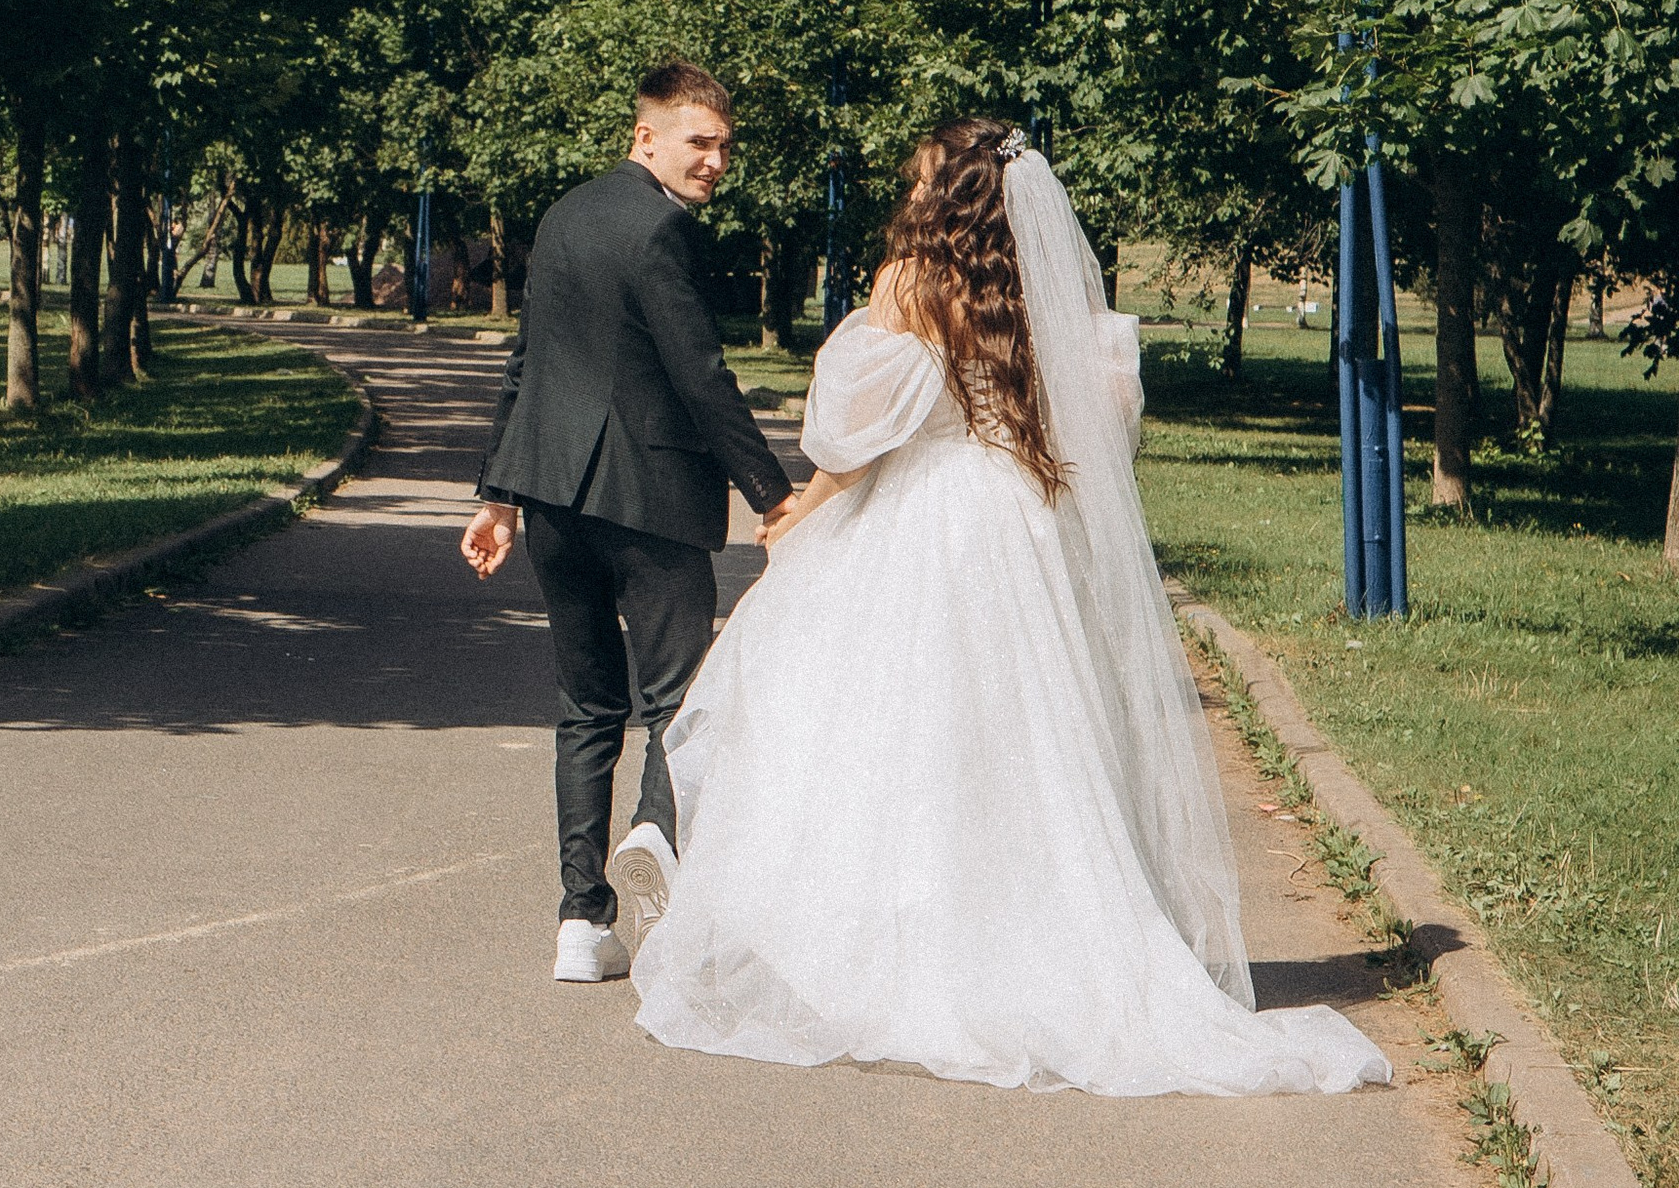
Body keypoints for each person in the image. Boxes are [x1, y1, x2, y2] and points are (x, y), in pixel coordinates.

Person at [629, 118, 1388, 1096]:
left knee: (900, 738)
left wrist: (793, 518)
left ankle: (911, 953)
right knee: (1017, 744)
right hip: (1012, 519)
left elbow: (854, 437)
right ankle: (1040, 940)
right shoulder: (1035, 283)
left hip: (928, 520)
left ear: (942, 193)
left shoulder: (913, 284)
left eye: (915, 175)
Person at [462, 61, 791, 987]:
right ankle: (656, 839)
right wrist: (773, 495)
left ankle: (581, 920)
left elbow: (525, 362)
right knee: (680, 703)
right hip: (649, 502)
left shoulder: (564, 214)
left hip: (554, 500)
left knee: (585, 706)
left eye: (726, 145)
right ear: (646, 138)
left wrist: (498, 494)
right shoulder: (662, 231)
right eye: (701, 142)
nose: (718, 161)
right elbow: (702, 376)